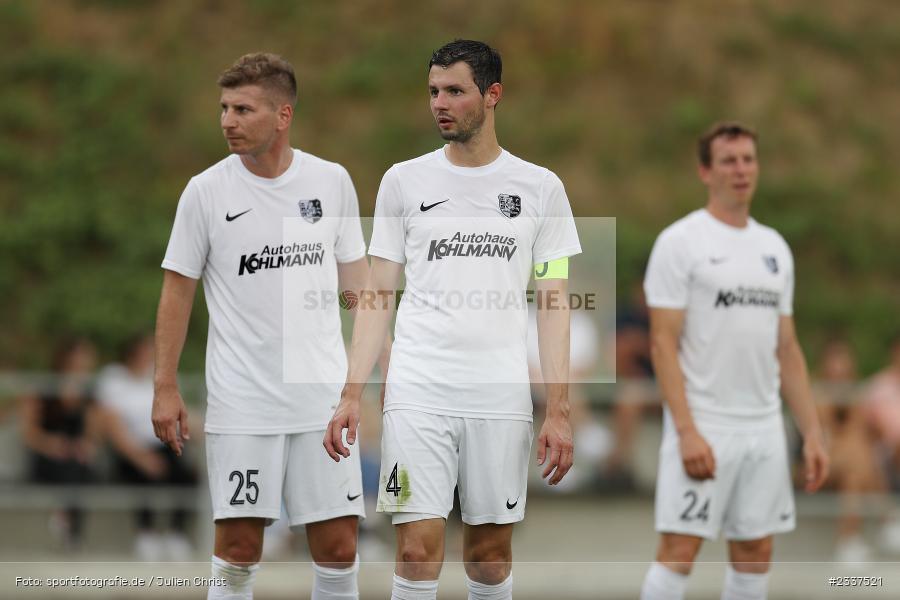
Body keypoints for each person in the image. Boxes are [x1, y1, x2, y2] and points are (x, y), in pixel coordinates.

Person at [324, 39, 582, 600]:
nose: (439, 103)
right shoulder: (403, 182)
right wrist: (351, 391)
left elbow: (554, 300)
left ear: (492, 96)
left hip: (499, 397)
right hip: (418, 391)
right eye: (433, 92)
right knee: (416, 552)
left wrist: (558, 407)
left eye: (455, 91)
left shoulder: (541, 188)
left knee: (489, 560)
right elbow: (377, 294)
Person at [152, 53, 368, 599]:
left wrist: (371, 371)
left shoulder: (330, 181)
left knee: (339, 548)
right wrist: (165, 385)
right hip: (243, 401)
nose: (227, 120)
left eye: (243, 109)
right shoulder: (206, 192)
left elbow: (358, 291)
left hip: (320, 396)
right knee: (239, 550)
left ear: (283, 114)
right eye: (224, 108)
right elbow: (178, 290)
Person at [639, 122, 829, 600]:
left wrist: (812, 433)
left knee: (755, 552)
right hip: (705, 422)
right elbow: (662, 343)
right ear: (706, 171)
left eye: (748, 159)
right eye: (728, 160)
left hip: (762, 427)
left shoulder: (774, 250)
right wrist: (686, 430)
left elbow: (787, 349)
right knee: (679, 551)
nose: (741, 170)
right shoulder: (680, 242)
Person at [96, 333, 198, 561]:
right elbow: (110, 424)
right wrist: (139, 456)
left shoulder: (160, 377)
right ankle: (146, 533)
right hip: (129, 449)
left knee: (187, 474)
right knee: (144, 474)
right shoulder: (114, 378)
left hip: (162, 442)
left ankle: (176, 533)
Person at [20, 337, 101, 550]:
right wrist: (51, 444)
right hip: (46, 455)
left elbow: (92, 434)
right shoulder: (44, 387)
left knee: (81, 467)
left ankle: (68, 523)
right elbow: (29, 432)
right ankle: (70, 528)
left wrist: (86, 445)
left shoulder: (89, 393)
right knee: (71, 468)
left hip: (74, 457)